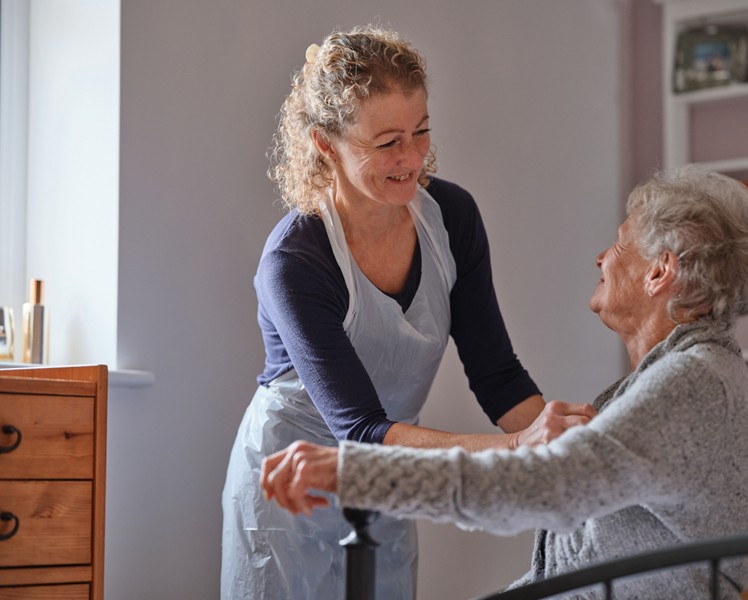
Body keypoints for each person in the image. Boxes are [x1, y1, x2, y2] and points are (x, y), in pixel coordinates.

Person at [261, 165, 748, 599]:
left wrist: (358, 472)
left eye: (620, 245)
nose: (602, 258)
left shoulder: (691, 384)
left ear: (660, 272)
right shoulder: (675, 378)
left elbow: (536, 486)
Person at [221, 25, 595, 600]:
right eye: (388, 141)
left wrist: (569, 457)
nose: (412, 158)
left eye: (421, 132)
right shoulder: (296, 258)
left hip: (389, 473)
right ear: (326, 144)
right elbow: (361, 429)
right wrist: (520, 450)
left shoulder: (452, 218)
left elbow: (497, 376)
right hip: (289, 487)